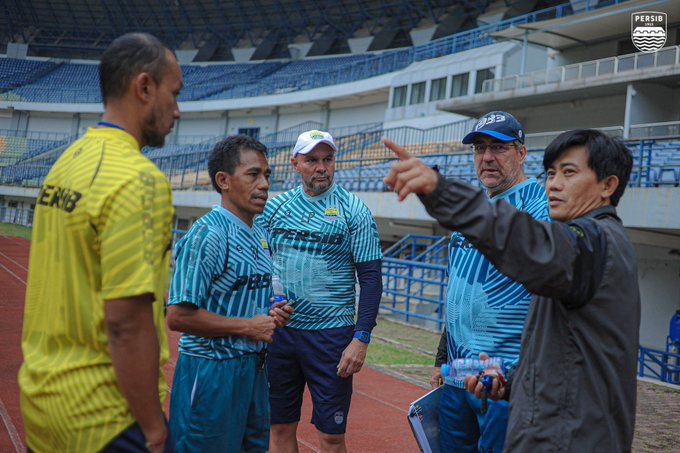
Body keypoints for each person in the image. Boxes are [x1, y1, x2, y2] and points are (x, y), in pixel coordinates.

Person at [384, 128, 640, 452]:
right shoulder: (595, 243)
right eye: (551, 173)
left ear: (608, 185)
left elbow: (521, 242)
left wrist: (440, 191)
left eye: (569, 172)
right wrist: (509, 385)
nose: (555, 183)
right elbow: (566, 356)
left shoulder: (593, 244)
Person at [19, 32, 182, 453]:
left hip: (42, 400)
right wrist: (153, 426)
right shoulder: (139, 179)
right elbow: (126, 321)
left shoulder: (66, 162)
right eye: (173, 94)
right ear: (144, 87)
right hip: (105, 415)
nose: (177, 111)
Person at [427, 111, 549, 452]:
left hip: (503, 378)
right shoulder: (473, 210)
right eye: (480, 148)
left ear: (521, 153)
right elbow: (459, 288)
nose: (488, 158)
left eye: (499, 148)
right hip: (457, 373)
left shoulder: (540, 207)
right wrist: (441, 359)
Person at [257, 130, 383, 453]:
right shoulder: (274, 209)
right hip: (281, 333)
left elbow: (371, 280)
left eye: (327, 159)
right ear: (295, 163)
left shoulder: (355, 211)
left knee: (330, 436)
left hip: (331, 337)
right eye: (312, 160)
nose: (321, 167)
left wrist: (361, 337)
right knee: (279, 428)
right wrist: (269, 304)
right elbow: (261, 264)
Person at [166, 135, 293, 452]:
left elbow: (248, 299)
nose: (264, 184)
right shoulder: (208, 234)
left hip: (253, 369)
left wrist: (273, 313)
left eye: (266, 175)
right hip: (211, 370)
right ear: (223, 180)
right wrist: (247, 327)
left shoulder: (259, 231)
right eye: (253, 175)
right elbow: (178, 315)